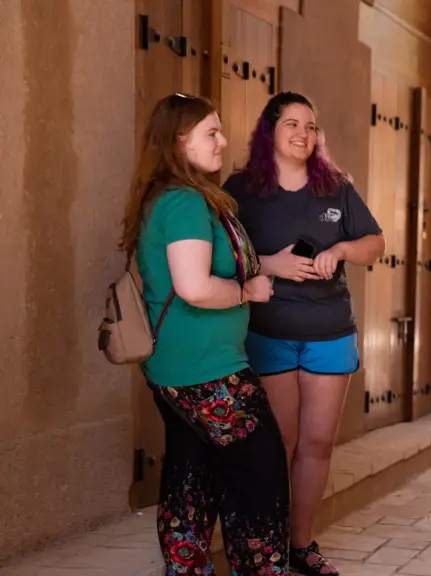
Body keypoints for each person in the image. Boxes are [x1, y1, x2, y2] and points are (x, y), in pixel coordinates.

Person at [122, 93, 290, 574]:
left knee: (189, 476)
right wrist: (247, 293)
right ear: (180, 141)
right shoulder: (184, 202)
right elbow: (194, 286)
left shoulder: (172, 197)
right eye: (211, 133)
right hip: (209, 372)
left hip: (177, 368)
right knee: (260, 479)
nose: (223, 141)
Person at [223, 91, 385, 576]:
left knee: (317, 444)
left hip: (330, 331)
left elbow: (374, 243)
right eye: (292, 123)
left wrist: (341, 250)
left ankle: (300, 544)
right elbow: (220, 253)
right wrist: (269, 263)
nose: (302, 133)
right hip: (269, 332)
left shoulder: (335, 186)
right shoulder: (242, 189)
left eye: (310, 126)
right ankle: (267, 545)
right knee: (282, 443)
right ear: (269, 130)